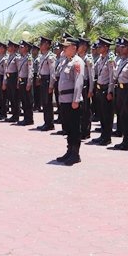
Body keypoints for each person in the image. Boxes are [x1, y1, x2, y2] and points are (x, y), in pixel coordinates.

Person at [55, 37, 85, 166]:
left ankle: (75, 154)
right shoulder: (66, 61)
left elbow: (79, 82)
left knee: (74, 128)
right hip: (64, 100)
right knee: (67, 127)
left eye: (66, 47)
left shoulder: (77, 62)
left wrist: (76, 100)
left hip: (72, 100)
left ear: (74, 47)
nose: (63, 49)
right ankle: (69, 151)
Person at [111, 37, 128, 151]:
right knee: (122, 116)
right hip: (120, 90)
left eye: (123, 47)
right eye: (121, 47)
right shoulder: (120, 61)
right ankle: (125, 139)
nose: (121, 49)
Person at [91, 37, 115, 145]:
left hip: (106, 89)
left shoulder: (110, 59)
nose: (98, 48)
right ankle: (103, 135)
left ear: (106, 47)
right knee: (101, 114)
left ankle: (107, 138)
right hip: (100, 88)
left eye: (100, 47)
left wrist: (110, 91)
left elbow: (112, 77)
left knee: (107, 115)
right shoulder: (101, 58)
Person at [36, 37, 57, 131]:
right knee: (44, 102)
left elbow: (53, 72)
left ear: (48, 45)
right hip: (43, 80)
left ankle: (50, 124)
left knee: (48, 103)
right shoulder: (42, 56)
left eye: (42, 44)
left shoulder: (50, 56)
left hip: (48, 80)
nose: (40, 46)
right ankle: (46, 122)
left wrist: (51, 85)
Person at [77, 38, 95, 139]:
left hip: (86, 85)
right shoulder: (77, 58)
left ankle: (86, 131)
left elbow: (91, 76)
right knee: (79, 110)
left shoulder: (88, 59)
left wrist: (90, 90)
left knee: (86, 109)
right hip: (79, 85)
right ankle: (80, 130)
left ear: (84, 47)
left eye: (79, 46)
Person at [16, 41, 34, 125]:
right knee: (23, 100)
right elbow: (19, 71)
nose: (20, 48)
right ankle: (25, 118)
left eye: (22, 47)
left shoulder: (29, 58)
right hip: (21, 80)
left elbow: (30, 71)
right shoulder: (21, 58)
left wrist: (29, 83)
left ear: (27, 48)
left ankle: (29, 119)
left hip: (26, 80)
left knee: (28, 101)